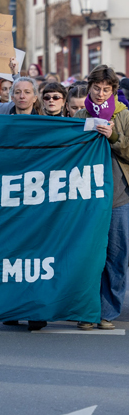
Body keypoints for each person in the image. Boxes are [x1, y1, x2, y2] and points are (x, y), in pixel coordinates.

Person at [75, 65, 129, 331]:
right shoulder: (80, 114)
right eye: (96, 88)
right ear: (89, 87)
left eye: (106, 89)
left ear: (113, 91)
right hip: (87, 197)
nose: (100, 93)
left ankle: (107, 312)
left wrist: (115, 137)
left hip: (119, 197)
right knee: (87, 256)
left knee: (116, 257)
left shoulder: (125, 115)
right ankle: (86, 310)